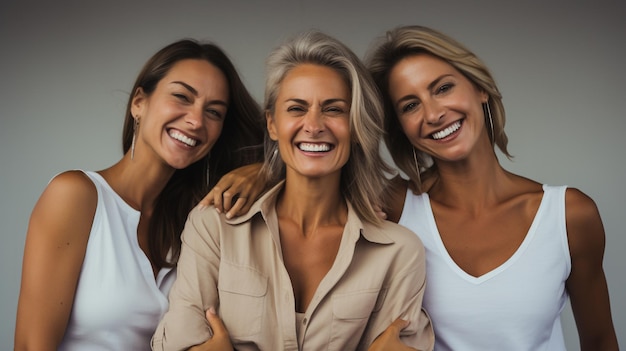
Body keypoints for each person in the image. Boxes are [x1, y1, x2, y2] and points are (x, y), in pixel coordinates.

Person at [151, 30, 434, 351]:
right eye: (297, 108)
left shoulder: (398, 252)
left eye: (333, 109)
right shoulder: (213, 228)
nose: (314, 125)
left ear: (356, 126)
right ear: (272, 124)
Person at [364, 25, 619, 350]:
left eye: (442, 88)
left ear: (480, 89)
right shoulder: (394, 206)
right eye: (410, 106)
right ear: (401, 128)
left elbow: (600, 342)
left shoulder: (568, 215)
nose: (433, 113)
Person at [14, 39, 264, 350]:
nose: (196, 121)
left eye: (214, 112)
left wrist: (264, 171)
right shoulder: (76, 196)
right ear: (139, 103)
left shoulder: (197, 223)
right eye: (181, 97)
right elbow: (29, 346)